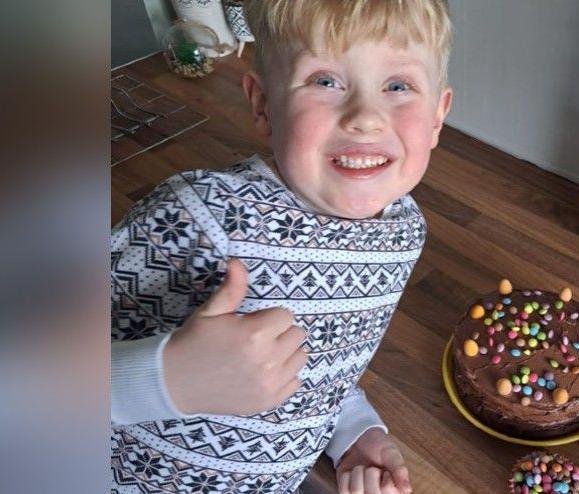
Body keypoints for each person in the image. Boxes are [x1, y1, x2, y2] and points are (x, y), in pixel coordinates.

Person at [110, 1, 453, 492]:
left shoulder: (402, 234)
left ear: (438, 116)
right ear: (263, 103)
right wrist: (163, 379)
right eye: (325, 80)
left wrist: (354, 432)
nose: (365, 118)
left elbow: (321, 365)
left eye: (398, 85)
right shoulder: (202, 216)